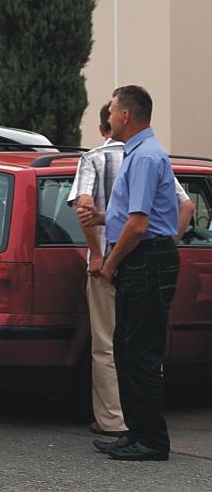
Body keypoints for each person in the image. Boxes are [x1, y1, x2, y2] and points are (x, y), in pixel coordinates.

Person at [68, 102, 193, 439]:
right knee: (131, 348)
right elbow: (185, 205)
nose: (110, 119)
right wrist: (170, 240)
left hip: (128, 259)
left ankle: (124, 426)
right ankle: (137, 432)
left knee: (120, 348)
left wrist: (103, 260)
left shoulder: (134, 157)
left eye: (112, 112)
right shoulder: (149, 153)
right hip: (144, 256)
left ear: (122, 117)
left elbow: (133, 223)